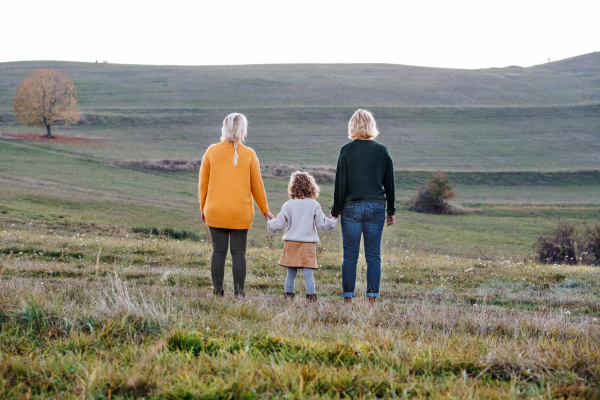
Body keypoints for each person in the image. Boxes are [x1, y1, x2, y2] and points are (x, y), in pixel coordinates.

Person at [199, 113, 274, 297]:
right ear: (242, 131)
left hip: (215, 210)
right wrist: (265, 211)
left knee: (218, 252)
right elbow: (257, 187)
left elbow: (203, 184)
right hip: (241, 212)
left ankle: (218, 292)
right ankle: (239, 294)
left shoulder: (211, 151)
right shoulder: (249, 154)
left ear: (224, 129)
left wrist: (203, 207)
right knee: (238, 253)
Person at [330, 109, 395, 305]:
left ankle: (348, 301)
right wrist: (391, 210)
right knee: (374, 255)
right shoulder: (382, 150)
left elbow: (340, 183)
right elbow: (389, 183)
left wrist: (335, 211)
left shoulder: (346, 150)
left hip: (351, 208)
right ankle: (372, 301)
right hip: (376, 207)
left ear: (352, 126)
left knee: (350, 255)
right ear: (371, 126)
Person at [267, 171, 338, 302]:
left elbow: (279, 225)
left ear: (292, 187)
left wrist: (270, 222)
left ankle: (288, 297)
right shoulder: (314, 205)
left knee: (291, 273)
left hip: (291, 243)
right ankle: (311, 299)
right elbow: (322, 224)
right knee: (308, 274)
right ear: (310, 186)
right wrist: (334, 221)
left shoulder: (288, 205)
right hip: (307, 244)